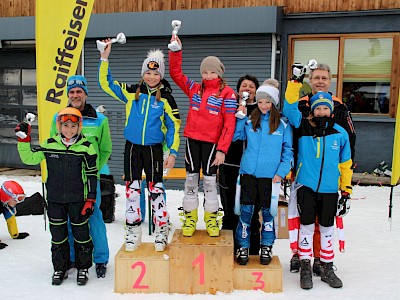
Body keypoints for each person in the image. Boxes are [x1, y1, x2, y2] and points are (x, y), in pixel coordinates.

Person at [98, 41, 181, 252]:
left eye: (156, 74)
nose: (151, 77)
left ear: (161, 75)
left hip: (154, 149)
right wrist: (104, 59)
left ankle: (162, 227)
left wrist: (171, 152)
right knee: (132, 190)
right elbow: (106, 84)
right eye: (148, 73)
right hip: (132, 148)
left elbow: (174, 127)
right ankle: (133, 229)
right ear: (143, 73)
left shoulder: (167, 99)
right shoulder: (131, 92)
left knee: (156, 190)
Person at [283, 69, 353, 289]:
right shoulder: (303, 126)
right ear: (312, 110)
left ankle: (327, 266)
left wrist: (346, 190)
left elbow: (346, 164)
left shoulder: (340, 133)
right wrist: (295, 82)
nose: (322, 111)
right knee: (305, 226)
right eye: (318, 108)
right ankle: (305, 265)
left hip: (330, 189)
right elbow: (289, 108)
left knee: (326, 228)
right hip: (307, 185)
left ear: (331, 111)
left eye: (325, 108)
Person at [16, 107, 98, 286]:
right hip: (54, 200)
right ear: (59, 126)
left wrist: (90, 199)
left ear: (79, 127)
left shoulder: (87, 147)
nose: (69, 130)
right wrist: (24, 140)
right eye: (65, 125)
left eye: (73, 126)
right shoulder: (50, 144)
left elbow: (92, 174)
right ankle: (60, 268)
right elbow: (29, 158)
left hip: (78, 201)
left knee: (82, 235)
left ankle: (83, 267)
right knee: (58, 236)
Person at [169, 35, 237, 237]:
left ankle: (211, 219)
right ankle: (189, 218)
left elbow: (229, 124)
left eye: (212, 72)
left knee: (209, 182)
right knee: (190, 180)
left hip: (212, 145)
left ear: (220, 73)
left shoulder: (227, 94)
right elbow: (176, 73)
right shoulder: (194, 88)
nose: (208, 76)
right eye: (205, 72)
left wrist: (223, 149)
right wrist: (175, 51)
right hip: (192, 140)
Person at [50, 75, 112, 278]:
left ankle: (101, 259)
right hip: (67, 181)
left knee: (93, 217)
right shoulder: (57, 118)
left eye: (79, 91)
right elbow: (54, 146)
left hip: (89, 181)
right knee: (68, 220)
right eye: (72, 91)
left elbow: (105, 150)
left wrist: (90, 171)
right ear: (68, 94)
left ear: (85, 93)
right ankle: (72, 258)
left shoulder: (99, 120)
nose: (75, 95)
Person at [233, 81, 293, 265]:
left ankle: (266, 245)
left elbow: (288, 151)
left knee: (268, 214)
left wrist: (281, 172)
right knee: (246, 212)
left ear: (273, 103)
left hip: (271, 177)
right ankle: (243, 246)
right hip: (249, 173)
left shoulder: (282, 125)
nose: (263, 106)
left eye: (267, 102)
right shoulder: (251, 121)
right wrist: (241, 118)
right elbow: (237, 137)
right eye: (260, 102)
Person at [219, 74, 262, 254]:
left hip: (253, 170)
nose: (247, 89)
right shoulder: (229, 108)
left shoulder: (262, 111)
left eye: (251, 86)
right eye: (244, 85)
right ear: (238, 91)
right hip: (229, 165)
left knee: (251, 212)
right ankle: (228, 251)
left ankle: (252, 252)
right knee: (229, 211)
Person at [0, 180, 29, 249]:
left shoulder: (6, 203)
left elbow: (10, 218)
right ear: (5, 197)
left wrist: (15, 234)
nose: (17, 202)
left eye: (20, 199)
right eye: (15, 200)